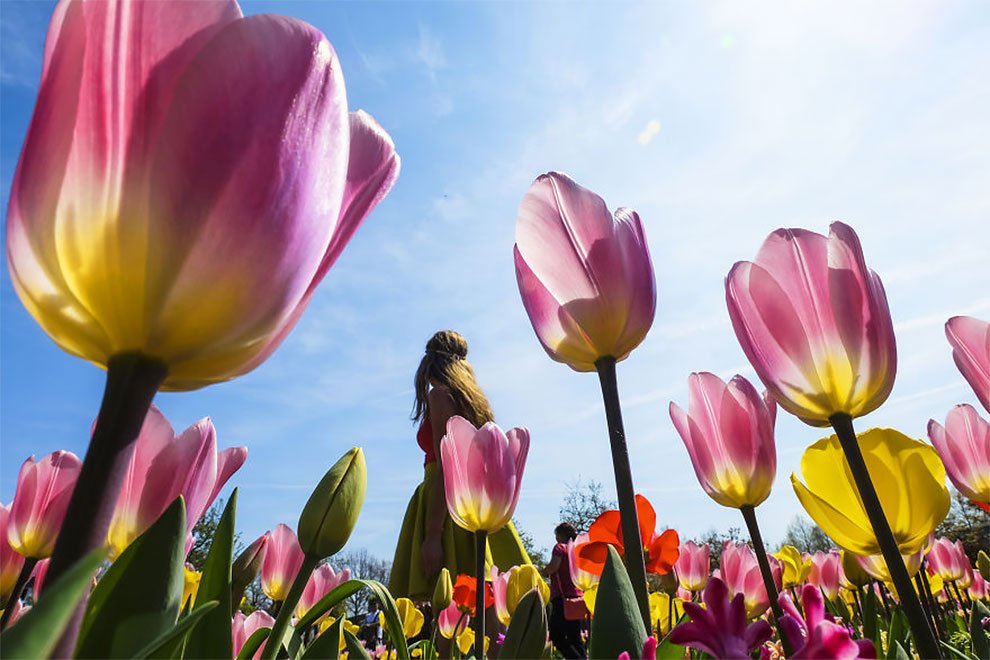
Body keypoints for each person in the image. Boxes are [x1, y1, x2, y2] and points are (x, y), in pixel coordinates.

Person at [389, 330, 531, 601]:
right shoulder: (474, 401)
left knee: (452, 605)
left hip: (448, 502)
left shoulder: (439, 395)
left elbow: (447, 465)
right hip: (479, 499)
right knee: (485, 597)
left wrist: (432, 535)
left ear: (430, 365)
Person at [545, 522, 586, 659]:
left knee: (557, 637)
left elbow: (553, 567)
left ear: (561, 535)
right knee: (575, 637)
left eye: (556, 535)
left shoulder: (560, 548)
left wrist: (542, 570)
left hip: (562, 598)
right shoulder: (575, 549)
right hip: (577, 597)